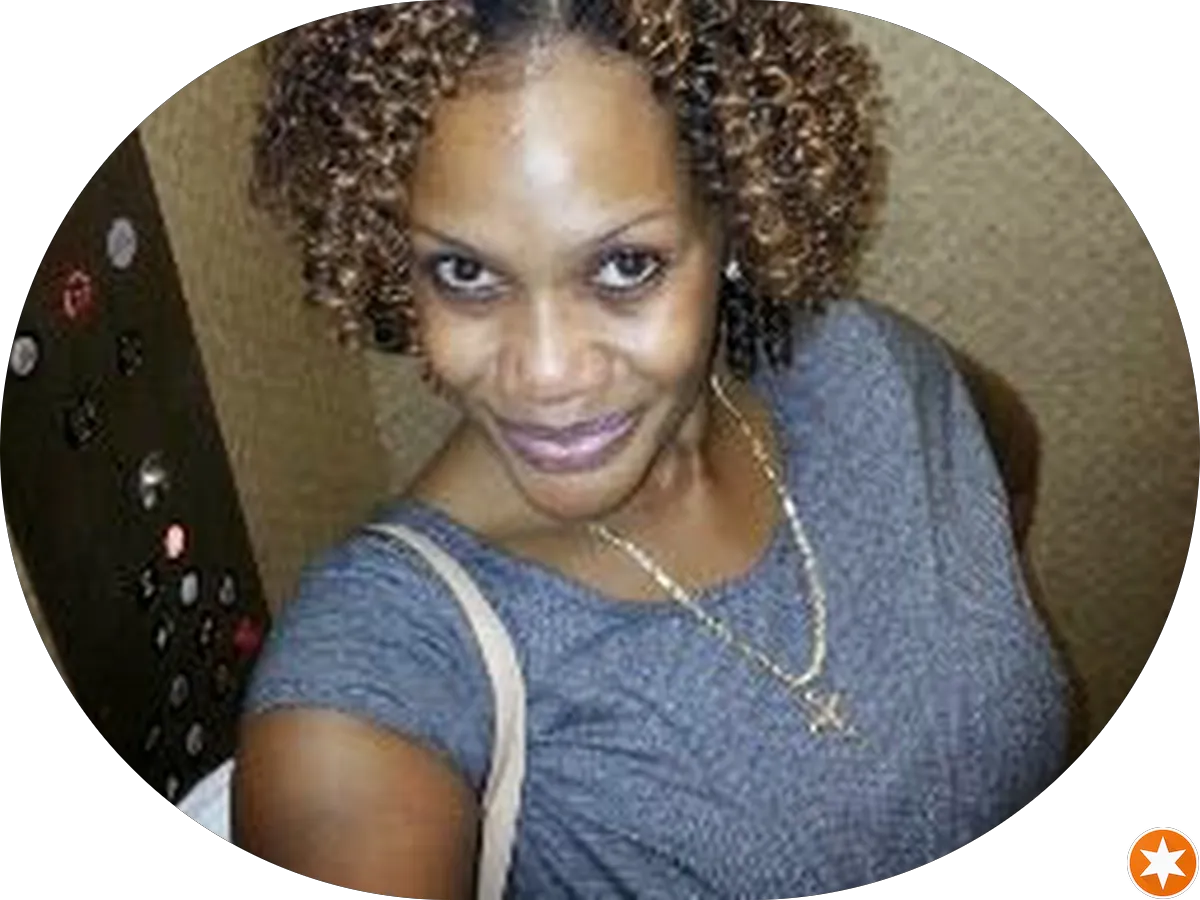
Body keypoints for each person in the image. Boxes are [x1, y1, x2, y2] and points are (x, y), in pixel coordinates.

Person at [233, 2, 1069, 897]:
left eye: (625, 265)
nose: (546, 374)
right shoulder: (380, 665)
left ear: (734, 215)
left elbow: (1006, 459)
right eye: (465, 272)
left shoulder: (867, 366)